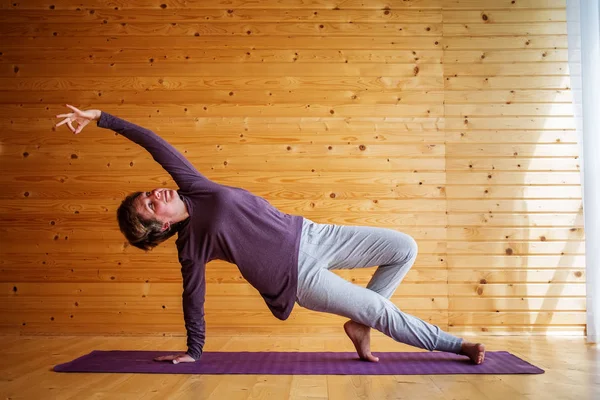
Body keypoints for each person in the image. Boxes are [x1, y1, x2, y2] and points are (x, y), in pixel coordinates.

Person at [55, 105, 486, 365]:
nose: (155, 194)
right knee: (380, 309)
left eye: (147, 194)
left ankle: (359, 325)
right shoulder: (191, 245)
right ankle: (455, 344)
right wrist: (194, 350)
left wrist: (101, 118)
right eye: (150, 205)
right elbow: (194, 296)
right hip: (299, 278)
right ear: (160, 226)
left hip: (315, 235)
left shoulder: (193, 185)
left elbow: (153, 141)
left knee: (403, 247)